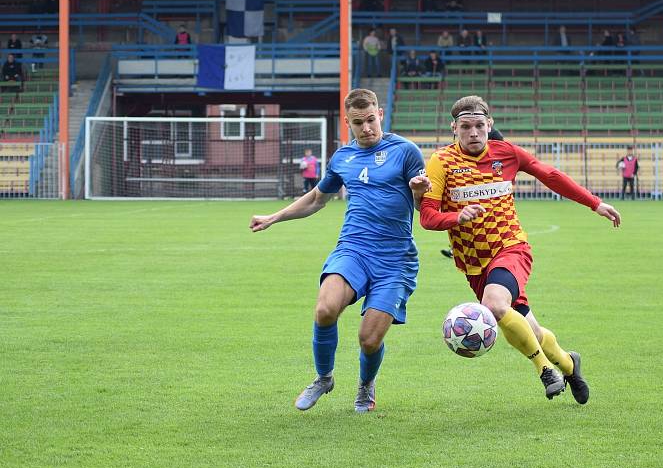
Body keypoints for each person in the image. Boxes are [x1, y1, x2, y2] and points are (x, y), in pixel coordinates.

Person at [416, 96, 620, 403]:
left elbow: (549, 175)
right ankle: (568, 364)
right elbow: (428, 218)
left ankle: (545, 370)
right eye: (466, 127)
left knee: (495, 306)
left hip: (511, 247)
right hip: (473, 263)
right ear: (454, 128)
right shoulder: (441, 162)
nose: (474, 133)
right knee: (531, 330)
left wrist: (595, 203)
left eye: (479, 126)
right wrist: (457, 216)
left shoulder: (506, 153)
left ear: (489, 125)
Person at [249, 89, 429, 413]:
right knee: (325, 309)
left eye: (371, 120)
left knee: (369, 339)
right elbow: (317, 198)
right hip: (354, 249)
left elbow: (423, 209)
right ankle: (324, 378)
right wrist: (274, 217)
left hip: (395, 259)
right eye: (358, 123)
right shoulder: (342, 158)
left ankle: (365, 385)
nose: (367, 128)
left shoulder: (406, 152)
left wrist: (418, 194)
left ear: (381, 115)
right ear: (348, 123)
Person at [440, 126, 504, 259]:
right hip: (468, 184)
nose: (474, 133)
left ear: (488, 122)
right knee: (465, 217)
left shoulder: (495, 134)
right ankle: (456, 248)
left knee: (481, 219)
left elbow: (501, 150)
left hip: (486, 185)